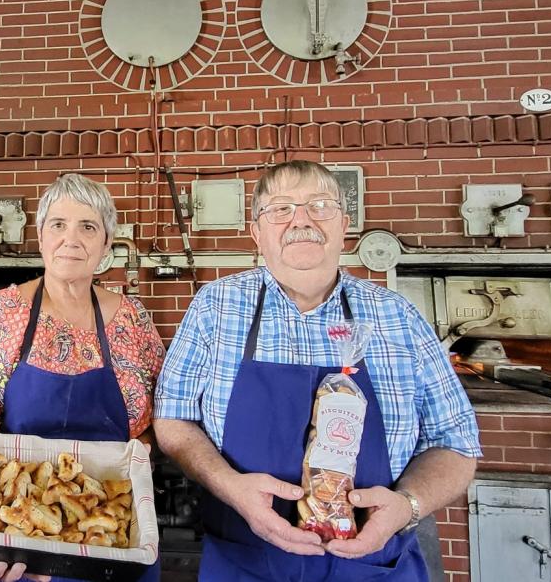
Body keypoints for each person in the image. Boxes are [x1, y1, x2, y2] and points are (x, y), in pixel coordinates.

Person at [153, 160, 482, 581]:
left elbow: (455, 442)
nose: (301, 220)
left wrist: (408, 505)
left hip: (372, 565)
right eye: (281, 208)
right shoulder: (214, 308)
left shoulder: (396, 316)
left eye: (320, 205)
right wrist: (228, 486)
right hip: (245, 560)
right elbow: (174, 420)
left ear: (344, 224)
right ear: (257, 232)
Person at [0, 173, 165, 582]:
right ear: (41, 238)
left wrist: (133, 468)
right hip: (13, 531)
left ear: (105, 244)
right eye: (58, 225)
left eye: (88, 226)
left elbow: (155, 425)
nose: (72, 238)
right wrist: (9, 534)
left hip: (110, 531)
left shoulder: (132, 319)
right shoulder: (2, 312)